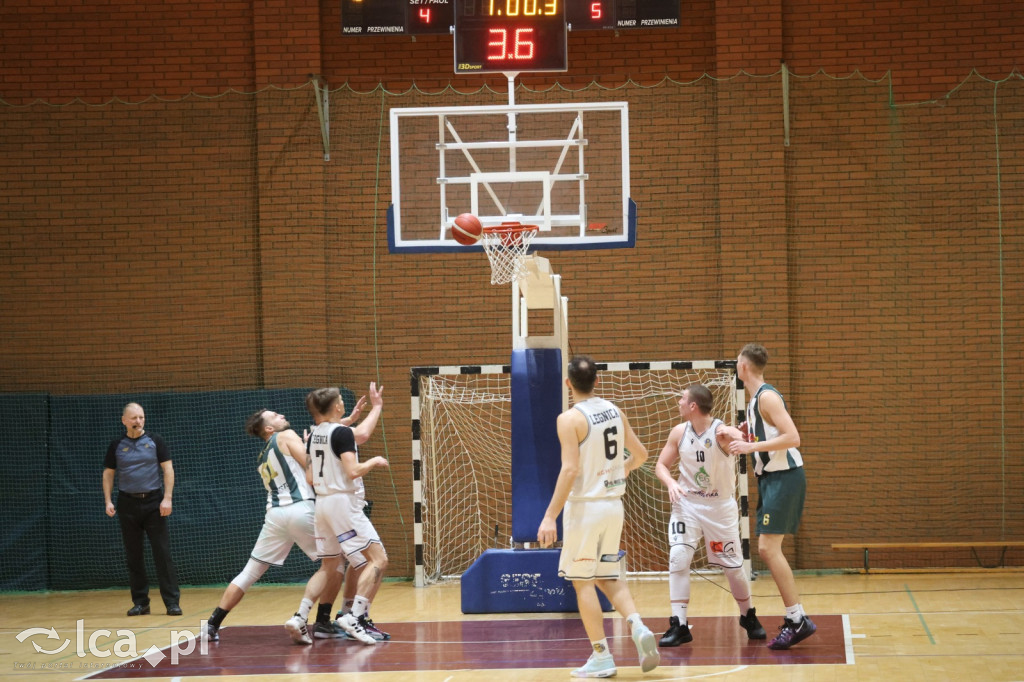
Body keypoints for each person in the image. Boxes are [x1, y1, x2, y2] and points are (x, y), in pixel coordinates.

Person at [200, 400, 363, 644]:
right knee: (336, 563)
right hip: (301, 509)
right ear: (268, 429)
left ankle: (212, 624)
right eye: (275, 416)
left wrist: (344, 423)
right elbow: (311, 468)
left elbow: (314, 445)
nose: (282, 415)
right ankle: (321, 622)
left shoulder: (263, 453)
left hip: (275, 515)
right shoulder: (286, 435)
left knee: (250, 572)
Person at [538, 355, 660, 678]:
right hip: (613, 507)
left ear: (568, 384)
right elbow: (642, 455)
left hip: (585, 509)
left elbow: (570, 469)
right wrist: (618, 472)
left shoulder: (569, 419)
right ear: (596, 381)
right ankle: (637, 625)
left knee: (583, 582)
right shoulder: (615, 411)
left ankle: (602, 656)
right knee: (608, 578)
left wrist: (550, 515)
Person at [653, 384, 766, 646]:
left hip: (719, 509)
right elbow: (660, 465)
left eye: (682, 399)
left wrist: (736, 431)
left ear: (693, 405)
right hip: (687, 505)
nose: (678, 403)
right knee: (678, 557)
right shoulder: (679, 432)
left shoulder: (721, 433)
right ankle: (679, 624)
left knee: (733, 568)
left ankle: (747, 615)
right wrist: (671, 483)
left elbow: (746, 441)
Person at [727, 343, 815, 650]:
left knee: (767, 548)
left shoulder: (766, 396)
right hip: (771, 479)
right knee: (767, 548)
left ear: (744, 367)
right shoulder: (754, 403)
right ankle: (796, 617)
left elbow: (793, 437)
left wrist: (751, 447)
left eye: (737, 362)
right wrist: (744, 433)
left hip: (785, 477)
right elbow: (768, 435)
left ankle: (797, 618)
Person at [304, 383, 390, 645]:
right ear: (338, 406)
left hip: (322, 504)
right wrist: (374, 461)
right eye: (341, 400)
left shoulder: (314, 433)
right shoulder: (340, 432)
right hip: (343, 504)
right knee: (378, 560)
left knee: (346, 563)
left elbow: (309, 476)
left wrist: (352, 419)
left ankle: (311, 616)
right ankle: (353, 615)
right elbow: (353, 469)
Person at [103, 403, 181, 616]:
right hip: (127, 504)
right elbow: (109, 473)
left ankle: (172, 603)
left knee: (162, 553)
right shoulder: (117, 444)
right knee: (133, 555)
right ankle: (141, 603)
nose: (138, 421)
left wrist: (167, 498)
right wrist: (108, 500)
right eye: (134, 418)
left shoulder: (155, 441)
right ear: (124, 420)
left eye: (141, 417)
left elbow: (168, 469)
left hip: (154, 503)